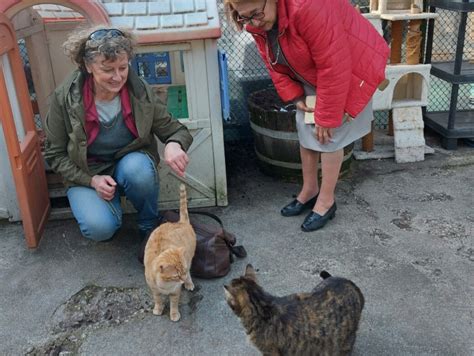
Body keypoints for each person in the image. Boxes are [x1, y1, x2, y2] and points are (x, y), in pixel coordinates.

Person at [225, 0, 389, 232]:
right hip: (311, 68)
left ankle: (326, 200)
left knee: (329, 135)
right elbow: (271, 61)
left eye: (256, 14)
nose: (253, 22)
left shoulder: (309, 7)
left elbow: (334, 63)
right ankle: (309, 189)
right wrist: (293, 94)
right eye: (245, 17)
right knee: (305, 127)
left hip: (350, 66)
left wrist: (328, 115)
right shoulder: (254, 20)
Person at [44, 27, 193, 247]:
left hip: (129, 165)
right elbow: (55, 154)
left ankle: (148, 224)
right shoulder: (64, 98)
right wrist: (91, 181)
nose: (117, 77)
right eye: (107, 69)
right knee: (99, 229)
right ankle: (107, 207)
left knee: (138, 169)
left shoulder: (140, 90)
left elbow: (176, 130)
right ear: (88, 66)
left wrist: (174, 143)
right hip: (86, 172)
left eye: (123, 67)